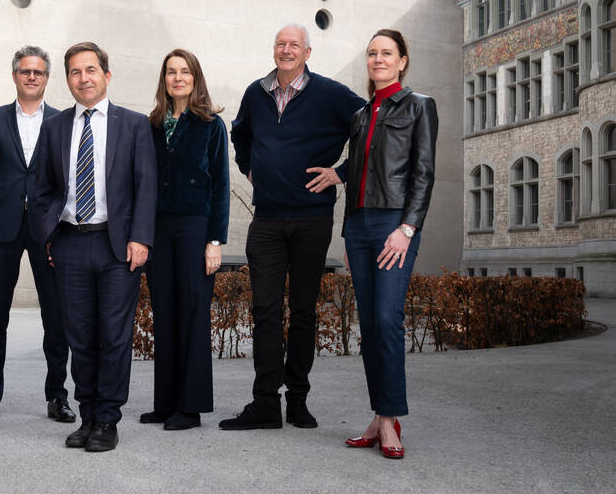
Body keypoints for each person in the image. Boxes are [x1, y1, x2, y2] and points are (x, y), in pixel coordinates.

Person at [224, 24, 364, 431]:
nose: (286, 50)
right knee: (265, 311)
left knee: (303, 310)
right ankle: (265, 403)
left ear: (307, 52)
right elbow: (239, 134)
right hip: (267, 219)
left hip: (311, 219)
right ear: (274, 50)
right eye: (280, 44)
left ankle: (298, 400)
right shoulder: (256, 93)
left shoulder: (331, 94)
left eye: (294, 45)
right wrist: (249, 167)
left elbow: (372, 127)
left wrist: (341, 173)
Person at [306, 29, 438, 459]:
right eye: (372, 53)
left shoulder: (419, 106)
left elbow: (423, 172)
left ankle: (390, 419)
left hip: (394, 224)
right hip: (359, 226)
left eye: (386, 53)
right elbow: (366, 161)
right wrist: (338, 174)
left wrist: (408, 228)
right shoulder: (362, 114)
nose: (378, 59)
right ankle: (381, 418)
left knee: (387, 320)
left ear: (402, 61)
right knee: (369, 326)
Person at [33, 41, 157, 453]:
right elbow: (42, 189)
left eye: (90, 70)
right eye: (74, 72)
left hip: (116, 246)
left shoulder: (134, 125)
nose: (83, 78)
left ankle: (107, 419)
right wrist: (49, 236)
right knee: (80, 336)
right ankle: (87, 416)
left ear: (106, 75)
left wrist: (140, 238)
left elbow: (146, 187)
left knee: (114, 336)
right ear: (67, 79)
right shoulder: (54, 127)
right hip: (70, 243)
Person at [0, 46, 75, 426]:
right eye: (25, 71)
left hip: (48, 233)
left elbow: (66, 184)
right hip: (1, 232)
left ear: (47, 78)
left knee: (56, 320)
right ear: (15, 75)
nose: (31, 77)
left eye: (38, 72)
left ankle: (58, 396)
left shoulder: (62, 121)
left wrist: (61, 232)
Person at [140, 49, 230, 431]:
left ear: (195, 78)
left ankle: (190, 408)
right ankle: (165, 403)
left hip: (195, 227)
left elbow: (221, 185)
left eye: (185, 71)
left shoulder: (211, 125)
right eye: (171, 72)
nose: (178, 78)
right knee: (164, 312)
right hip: (158, 228)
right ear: (164, 79)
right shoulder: (152, 124)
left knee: (192, 313)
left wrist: (215, 241)